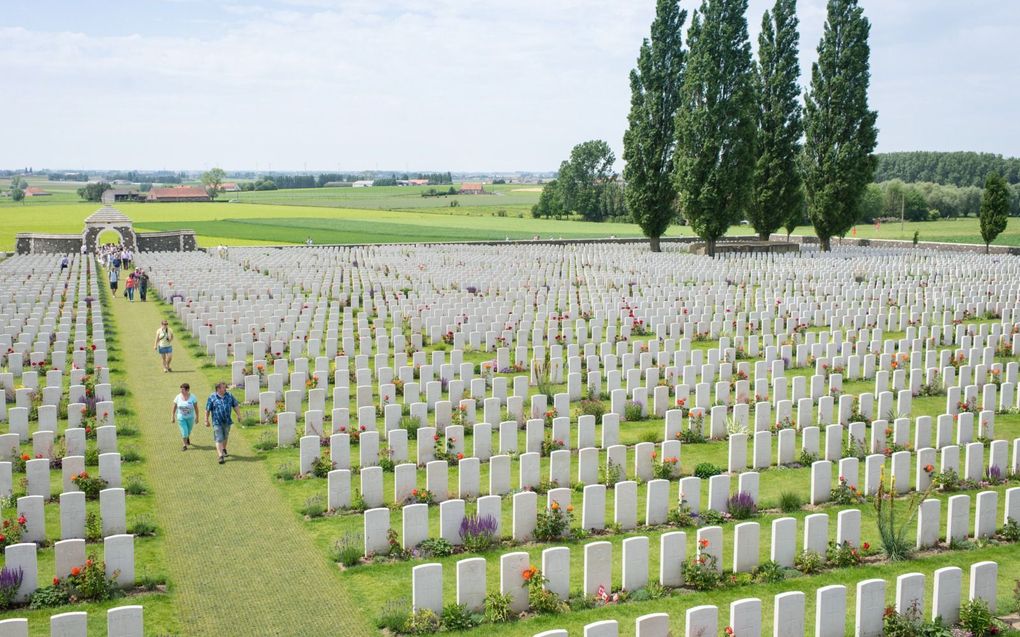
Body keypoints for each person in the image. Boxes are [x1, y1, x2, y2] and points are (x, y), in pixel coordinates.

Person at [205, 382, 241, 464]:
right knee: (219, 438)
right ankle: (220, 456)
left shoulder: (229, 395)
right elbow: (207, 409)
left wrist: (239, 415)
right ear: (218, 389)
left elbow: (235, 405)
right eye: (223, 387)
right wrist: (206, 420)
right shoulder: (212, 397)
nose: (225, 389)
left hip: (227, 421)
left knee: (225, 436)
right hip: (217, 421)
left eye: (225, 387)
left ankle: (224, 449)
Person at [171, 383, 200, 451]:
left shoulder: (193, 397)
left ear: (187, 390)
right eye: (181, 389)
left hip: (190, 418)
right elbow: (174, 407)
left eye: (183, 389)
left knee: (188, 431)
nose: (181, 391)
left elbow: (196, 408)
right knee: (184, 431)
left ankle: (187, 437)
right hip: (181, 417)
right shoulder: (178, 397)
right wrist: (172, 416)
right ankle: (184, 445)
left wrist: (197, 417)